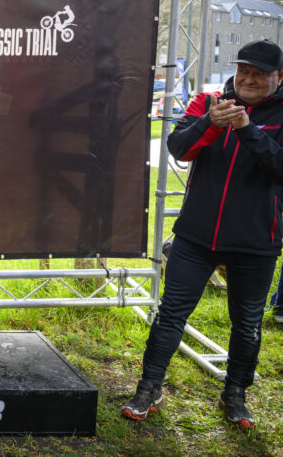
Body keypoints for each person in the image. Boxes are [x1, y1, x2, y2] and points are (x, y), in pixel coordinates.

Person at [122, 39, 283, 429]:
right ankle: (148, 388)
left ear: (279, 77)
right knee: (170, 314)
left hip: (256, 241)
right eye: (243, 71)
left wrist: (247, 130)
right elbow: (179, 148)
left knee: (247, 323)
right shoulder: (208, 101)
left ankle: (235, 394)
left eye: (259, 75)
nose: (248, 80)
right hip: (196, 236)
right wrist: (210, 123)